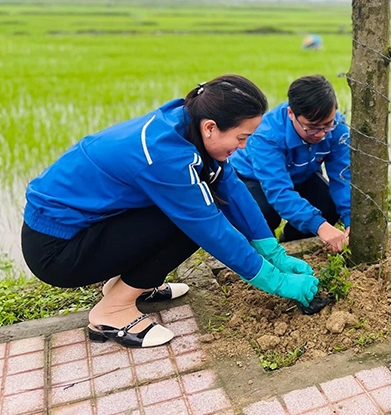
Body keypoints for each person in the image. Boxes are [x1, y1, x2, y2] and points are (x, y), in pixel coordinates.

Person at [22, 75, 318, 349]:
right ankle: (111, 312)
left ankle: (128, 286)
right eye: (241, 138)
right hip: (57, 249)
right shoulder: (164, 155)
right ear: (211, 127)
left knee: (195, 210)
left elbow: (230, 185)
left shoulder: (188, 121)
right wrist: (276, 282)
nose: (243, 147)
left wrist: (273, 252)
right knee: (188, 223)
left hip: (87, 229)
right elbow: (211, 228)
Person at [231, 75, 350, 253]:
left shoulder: (337, 127)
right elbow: (278, 190)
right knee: (262, 214)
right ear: (291, 114)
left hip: (302, 171)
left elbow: (343, 176)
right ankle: (263, 254)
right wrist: (320, 226)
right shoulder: (266, 136)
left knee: (328, 206)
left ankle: (294, 246)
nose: (321, 134)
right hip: (253, 176)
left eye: (327, 125)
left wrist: (351, 220)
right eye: (312, 127)